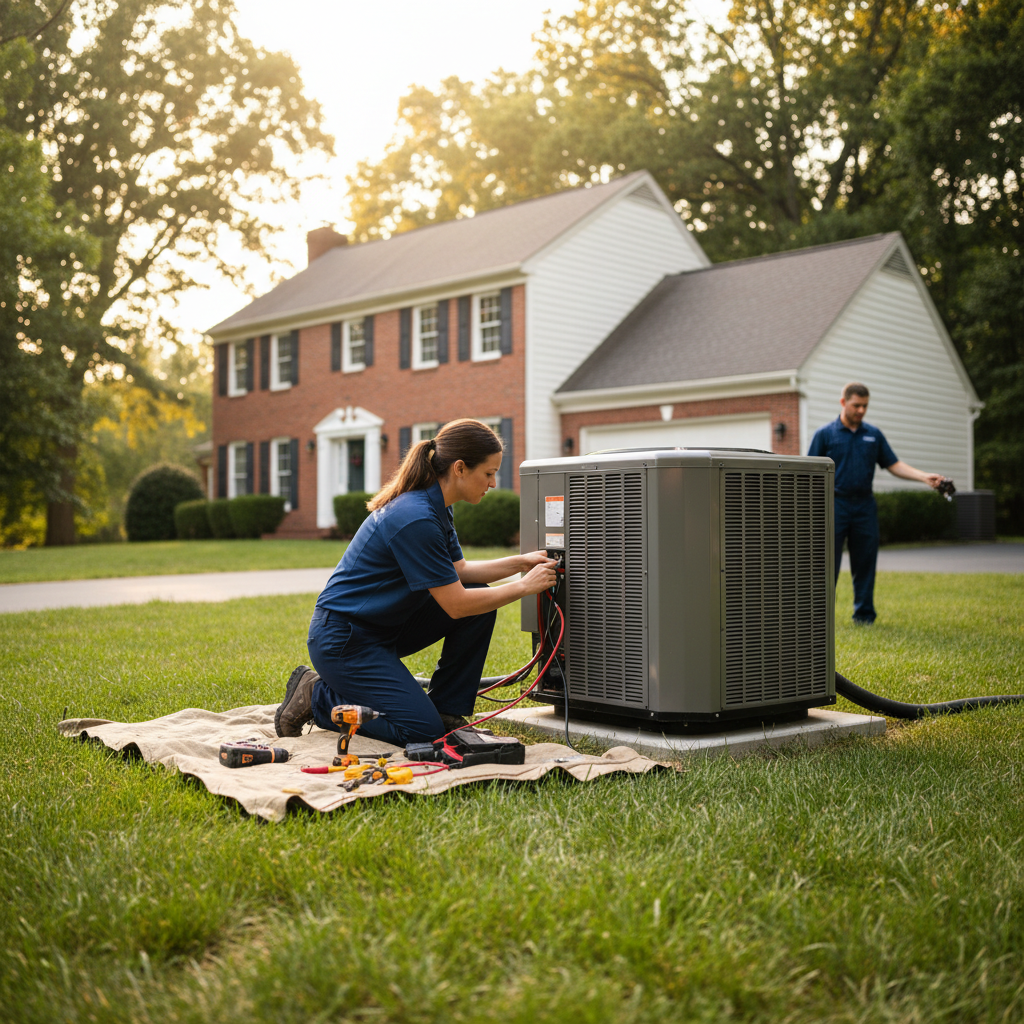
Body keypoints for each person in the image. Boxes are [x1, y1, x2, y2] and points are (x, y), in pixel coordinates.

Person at [274, 418, 558, 748]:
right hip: (344, 641)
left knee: (480, 603)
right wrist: (524, 586)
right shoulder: (416, 516)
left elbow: (460, 570)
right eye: (489, 473)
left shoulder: (436, 507)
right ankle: (317, 697)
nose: (494, 483)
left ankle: (447, 710)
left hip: (383, 628)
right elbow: (455, 604)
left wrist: (522, 563)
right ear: (460, 468)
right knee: (422, 733)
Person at [808, 382, 945, 624]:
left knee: (865, 562)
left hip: (864, 507)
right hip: (834, 506)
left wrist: (924, 477)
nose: (861, 410)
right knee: (826, 565)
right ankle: (819, 619)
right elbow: (809, 472)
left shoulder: (873, 434)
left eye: (865, 406)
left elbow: (894, 464)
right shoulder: (825, 434)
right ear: (843, 403)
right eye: (856, 405)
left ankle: (864, 617)